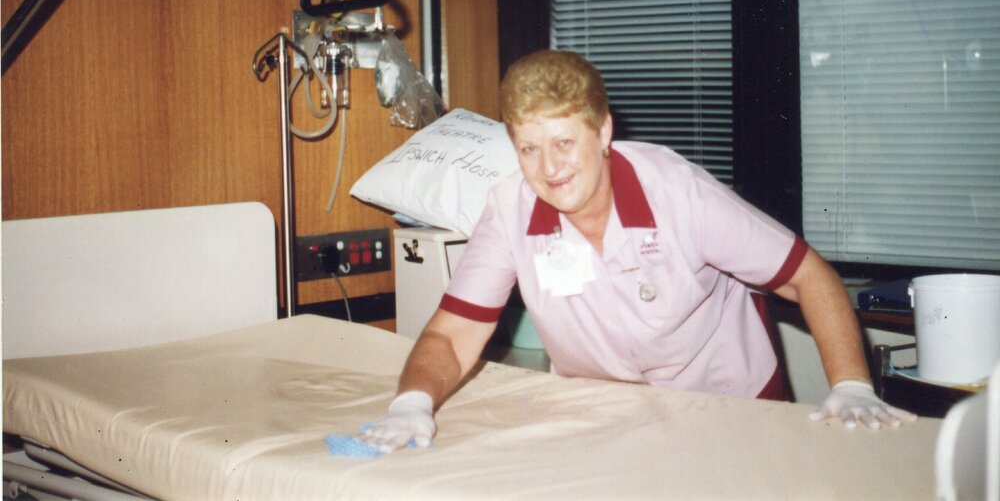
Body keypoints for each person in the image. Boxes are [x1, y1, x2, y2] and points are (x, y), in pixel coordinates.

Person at [360, 50, 916, 453]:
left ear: (603, 132)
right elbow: (453, 334)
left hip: (730, 406)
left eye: (564, 143)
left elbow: (806, 275)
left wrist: (850, 384)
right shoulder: (509, 211)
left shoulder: (678, 192)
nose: (549, 169)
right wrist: (412, 402)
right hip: (606, 416)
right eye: (529, 148)